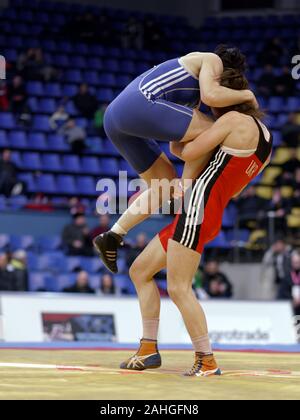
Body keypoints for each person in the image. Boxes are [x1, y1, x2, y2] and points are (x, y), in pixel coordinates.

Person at [117, 73, 272, 376]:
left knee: (178, 287)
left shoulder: (231, 122)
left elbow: (185, 153)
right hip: (210, 212)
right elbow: (236, 186)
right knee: (140, 270)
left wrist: (177, 132)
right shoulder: (266, 137)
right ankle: (149, 349)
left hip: (196, 209)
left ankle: (207, 359)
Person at [94, 46, 258, 271]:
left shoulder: (191, 96)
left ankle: (113, 235)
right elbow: (211, 95)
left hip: (116, 120)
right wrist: (247, 95)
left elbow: (176, 147)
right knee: (217, 130)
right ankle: (187, 193)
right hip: (137, 106)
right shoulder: (211, 60)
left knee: (165, 185)